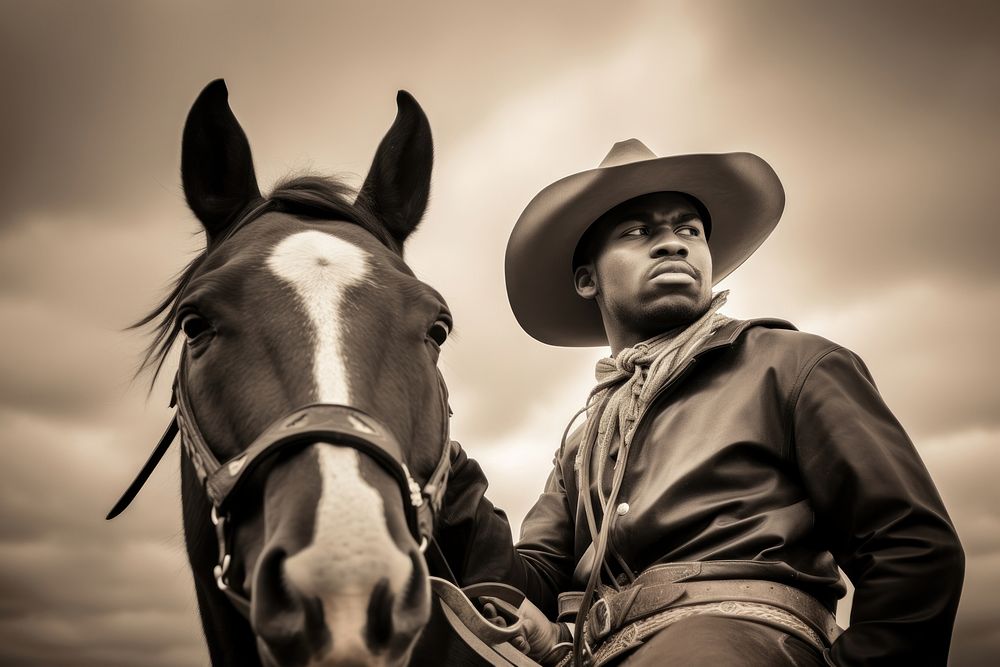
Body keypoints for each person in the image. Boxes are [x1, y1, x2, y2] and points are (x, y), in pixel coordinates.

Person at [435, 139, 965, 666]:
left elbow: (912, 551)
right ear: (586, 278)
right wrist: (443, 468)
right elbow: (533, 583)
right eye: (637, 231)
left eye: (688, 230)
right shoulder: (581, 442)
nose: (673, 243)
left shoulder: (794, 366)